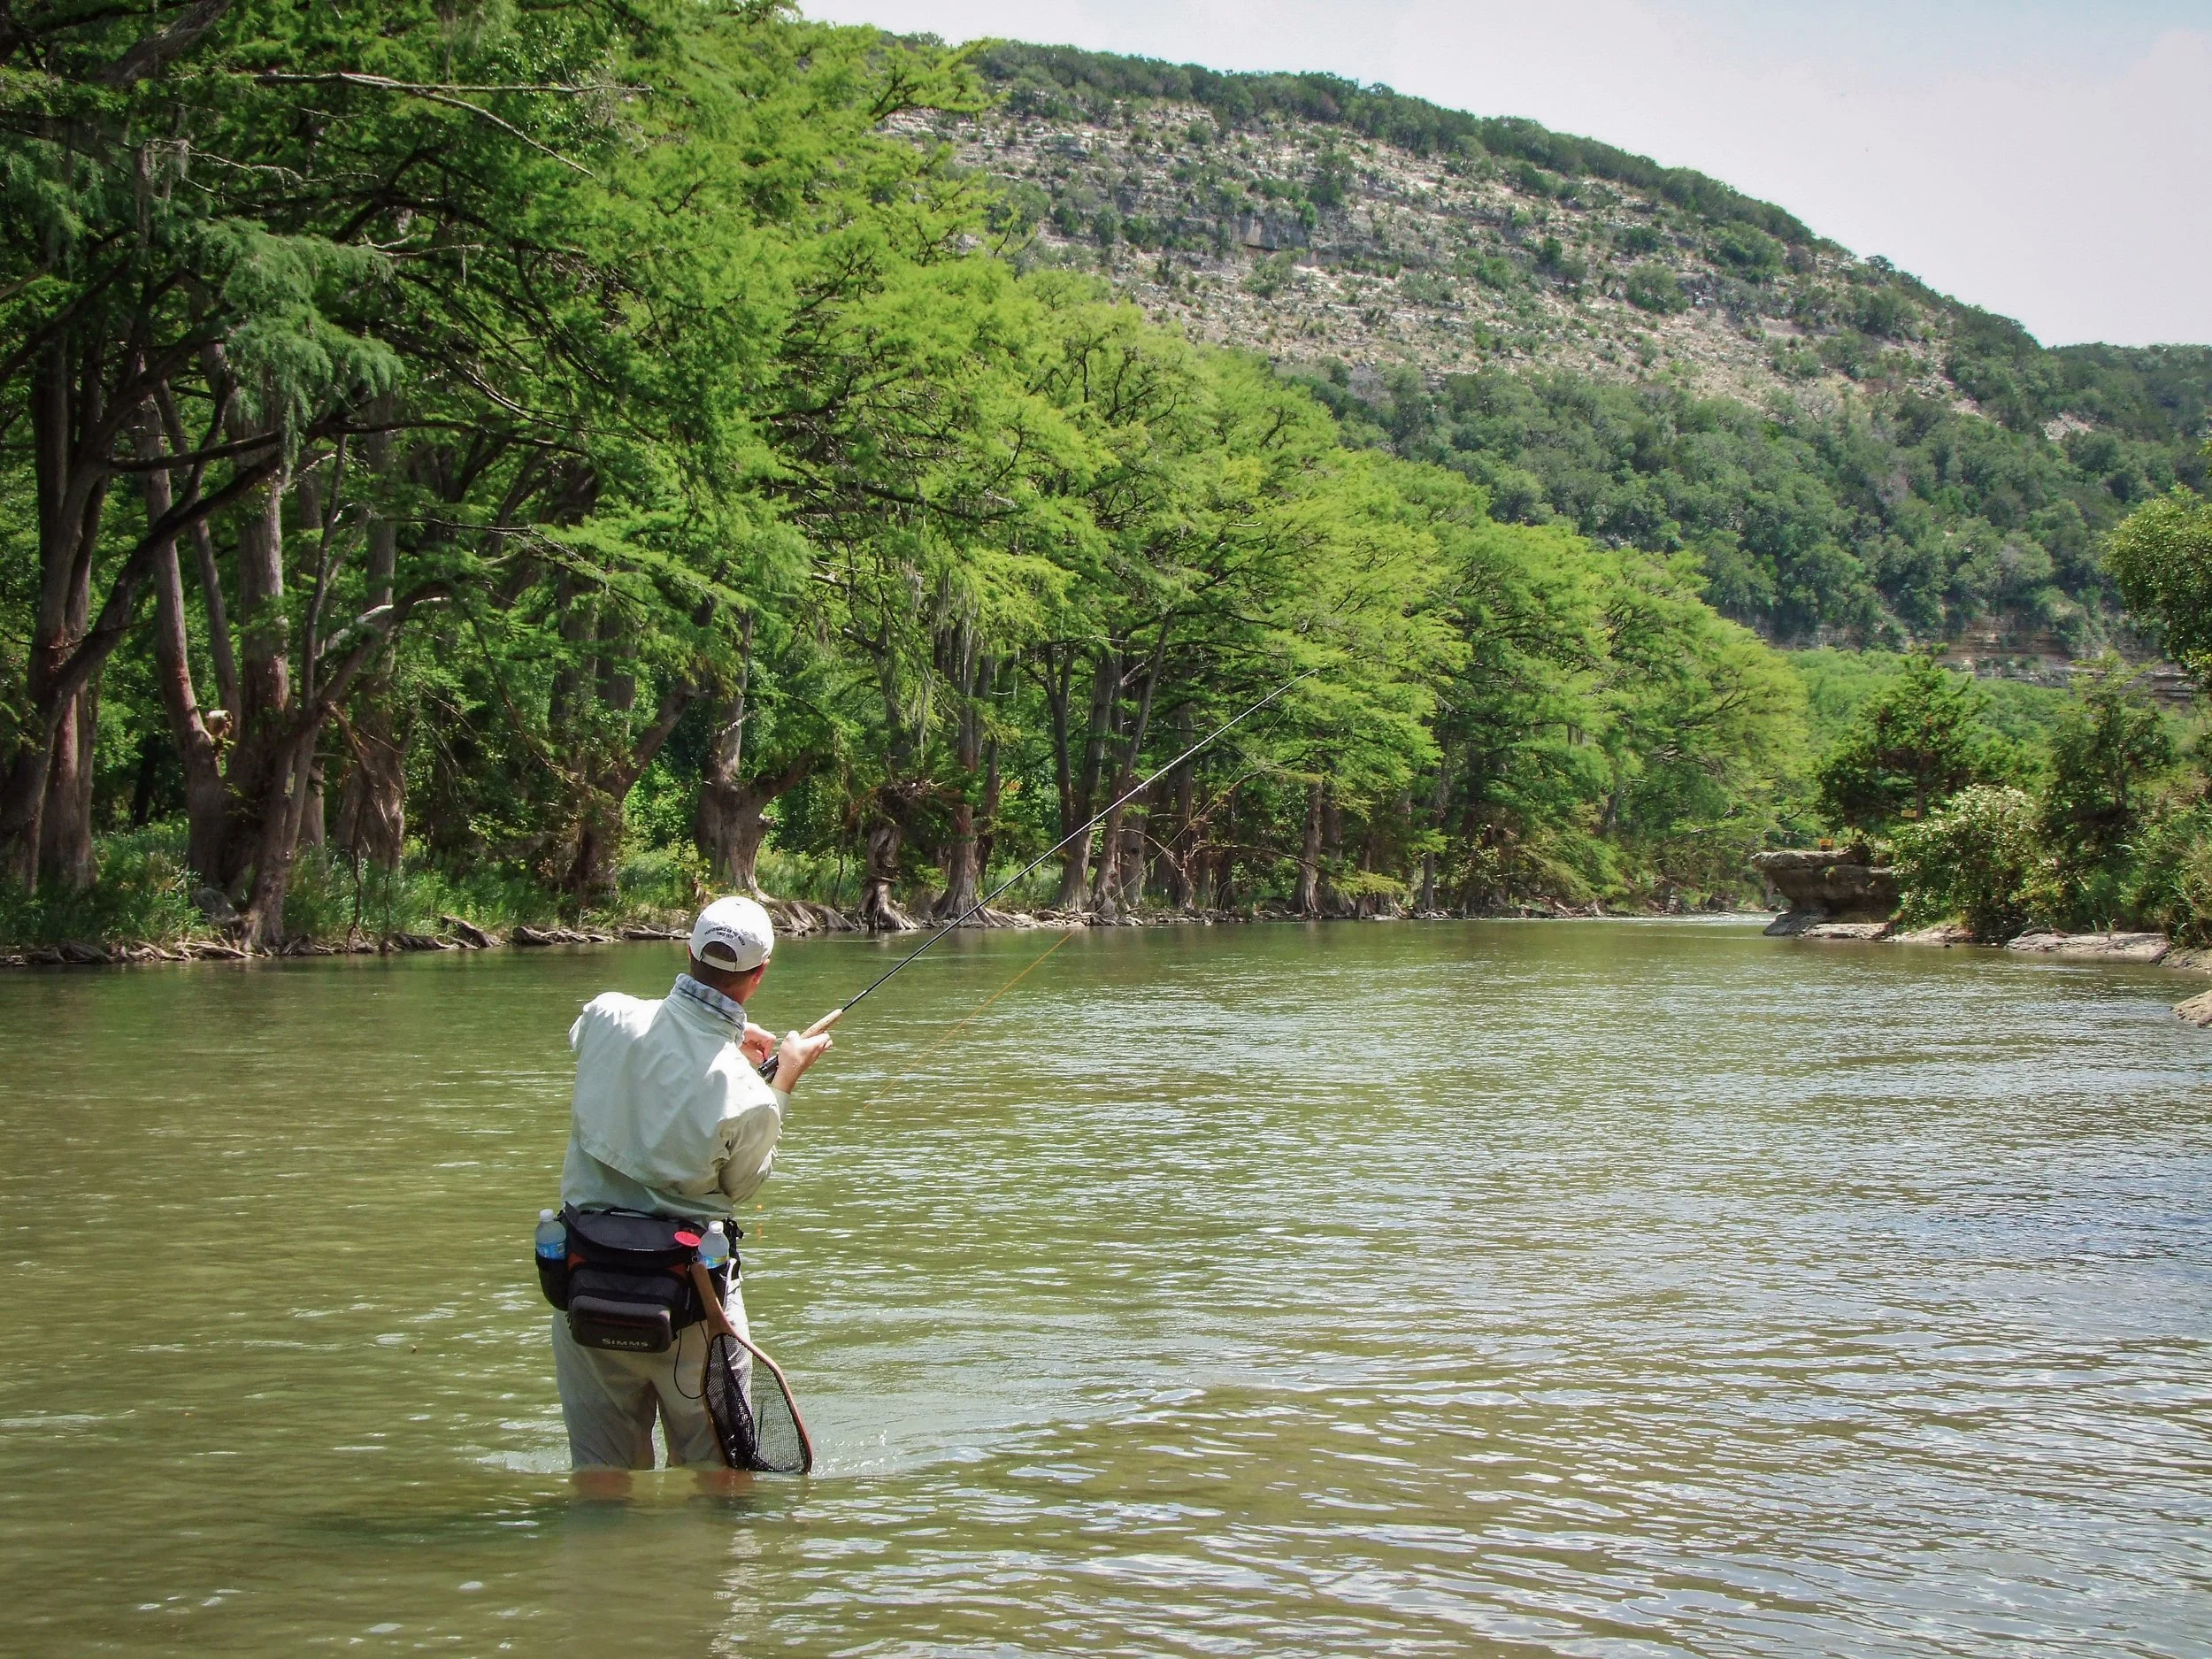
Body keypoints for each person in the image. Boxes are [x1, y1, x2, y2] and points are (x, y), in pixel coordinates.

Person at [551, 895, 832, 1486]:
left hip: (584, 1283)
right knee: (719, 1478)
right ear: (760, 976)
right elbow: (745, 1184)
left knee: (598, 1477)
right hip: (692, 1306)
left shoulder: (606, 1014)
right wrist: (782, 1077)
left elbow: (634, 1055)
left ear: (688, 951)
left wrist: (716, 1034)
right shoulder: (749, 1094)